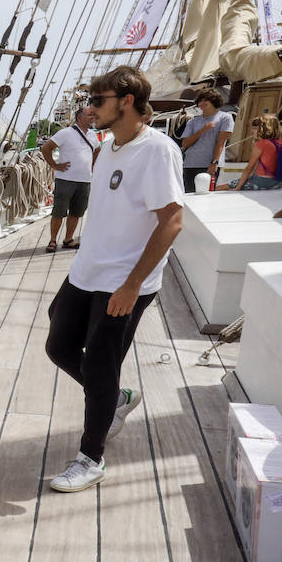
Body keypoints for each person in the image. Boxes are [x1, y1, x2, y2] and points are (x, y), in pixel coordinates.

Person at [45, 66, 183, 493]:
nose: (90, 108)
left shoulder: (157, 151)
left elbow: (172, 221)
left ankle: (91, 458)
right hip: (86, 272)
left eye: (98, 99)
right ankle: (116, 400)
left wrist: (131, 285)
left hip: (124, 281)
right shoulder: (106, 148)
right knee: (59, 345)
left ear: (126, 101)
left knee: (102, 364)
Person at [39, 105, 99, 252]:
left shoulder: (92, 135)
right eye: (89, 115)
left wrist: (92, 165)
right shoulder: (65, 133)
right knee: (59, 211)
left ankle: (68, 239)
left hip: (84, 180)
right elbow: (46, 148)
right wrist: (54, 165)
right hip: (65, 179)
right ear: (79, 117)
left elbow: (97, 150)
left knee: (77, 212)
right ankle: (53, 241)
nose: (93, 117)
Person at [178, 87, 233, 193]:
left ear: (214, 101)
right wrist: (202, 130)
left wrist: (214, 163)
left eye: (205, 100)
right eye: (200, 101)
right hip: (190, 164)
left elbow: (220, 143)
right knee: (189, 196)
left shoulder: (225, 118)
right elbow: (185, 143)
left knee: (206, 196)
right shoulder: (193, 122)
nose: (202, 103)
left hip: (209, 165)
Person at [226, 113, 282, 191]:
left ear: (263, 128)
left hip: (263, 181)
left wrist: (238, 187)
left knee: (221, 187)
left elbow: (249, 168)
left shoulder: (262, 144)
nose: (252, 130)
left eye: (254, 128)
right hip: (279, 182)